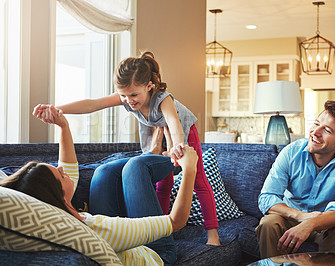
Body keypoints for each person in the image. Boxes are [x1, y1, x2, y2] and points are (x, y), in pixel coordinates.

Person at [51, 51, 220, 245]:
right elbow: (93, 104)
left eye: (133, 95)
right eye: (123, 95)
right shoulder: (128, 97)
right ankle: (164, 231)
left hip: (183, 134)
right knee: (163, 184)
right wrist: (58, 109)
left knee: (199, 180)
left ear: (149, 86)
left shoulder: (163, 99)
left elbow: (174, 122)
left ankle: (213, 235)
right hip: (162, 138)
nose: (129, 101)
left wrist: (178, 146)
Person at [1, 104, 198, 265]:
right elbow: (176, 221)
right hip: (156, 253)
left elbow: (67, 167)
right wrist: (190, 169)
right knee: (135, 167)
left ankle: (154, 154)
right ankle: (174, 161)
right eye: (60, 176)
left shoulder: (55, 212)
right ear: (57, 196)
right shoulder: (100, 231)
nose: (62, 170)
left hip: (122, 242)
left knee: (103, 172)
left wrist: (63, 125)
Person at [256, 100, 335, 258]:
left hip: (327, 223)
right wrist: (300, 216)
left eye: (326, 130)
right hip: (291, 217)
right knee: (268, 223)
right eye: (316, 124)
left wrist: (310, 223)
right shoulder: (291, 152)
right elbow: (266, 198)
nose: (315, 132)